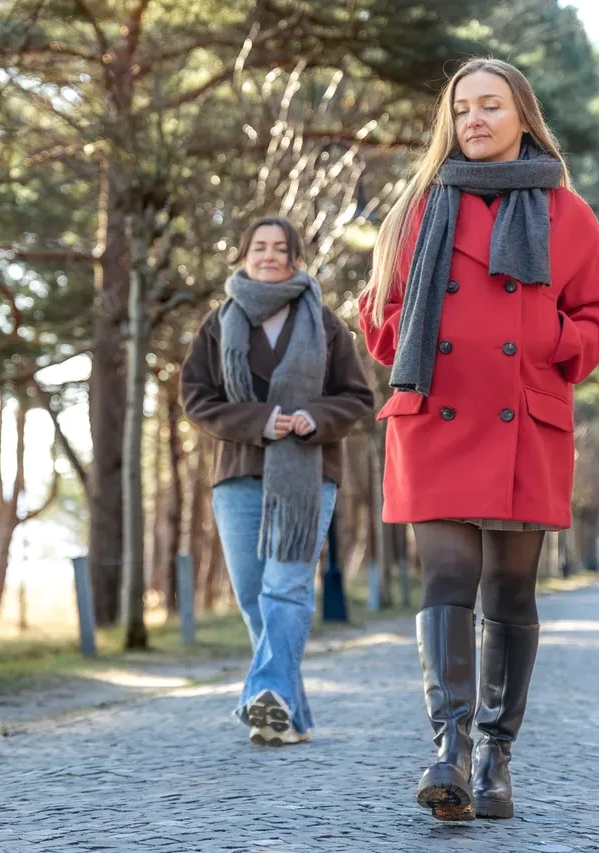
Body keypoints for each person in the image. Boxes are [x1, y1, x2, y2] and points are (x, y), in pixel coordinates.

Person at [358, 58, 599, 821]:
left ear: (522, 117)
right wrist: (398, 324)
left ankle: (494, 758)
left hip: (523, 418)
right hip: (434, 411)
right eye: (462, 107)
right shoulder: (416, 209)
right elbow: (381, 314)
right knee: (446, 576)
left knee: (509, 589)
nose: (473, 119)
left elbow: (598, 315)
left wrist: (547, 334)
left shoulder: (567, 213)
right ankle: (449, 749)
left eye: (490, 105)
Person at [182, 216, 375, 746]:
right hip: (239, 472)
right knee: (253, 597)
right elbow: (197, 398)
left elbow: (357, 397)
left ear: (295, 258)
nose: (269, 255)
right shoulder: (219, 322)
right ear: (244, 255)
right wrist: (262, 421)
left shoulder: (324, 322)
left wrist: (314, 417)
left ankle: (264, 695)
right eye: (259, 247)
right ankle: (288, 716)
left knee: (284, 589)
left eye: (279, 248)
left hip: (308, 473)